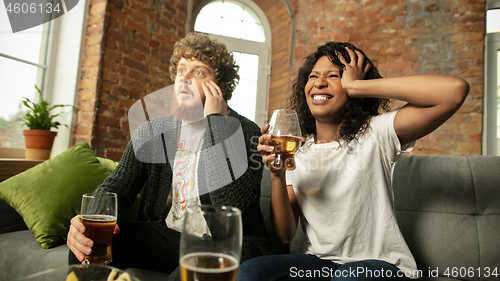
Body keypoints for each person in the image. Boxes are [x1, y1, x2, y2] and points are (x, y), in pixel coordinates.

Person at [236, 42, 469, 281]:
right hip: (318, 264)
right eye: (313, 76)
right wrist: (277, 174)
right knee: (250, 272)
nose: (319, 82)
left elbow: (455, 91)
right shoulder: (298, 148)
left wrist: (357, 85)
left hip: (380, 265)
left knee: (347, 278)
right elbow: (285, 234)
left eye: (334, 76)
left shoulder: (377, 133)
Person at [66, 32, 272, 278]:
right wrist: (87, 222)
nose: (184, 78)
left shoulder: (246, 131)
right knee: (88, 242)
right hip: (171, 239)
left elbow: (234, 207)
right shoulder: (155, 131)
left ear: (220, 85)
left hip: (227, 245)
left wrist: (215, 123)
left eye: (198, 72)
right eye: (181, 70)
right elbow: (116, 187)